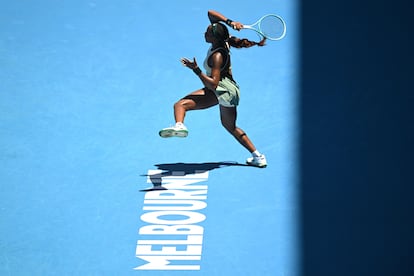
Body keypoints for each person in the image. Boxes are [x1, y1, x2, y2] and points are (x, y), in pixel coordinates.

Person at [159, 10, 267, 168]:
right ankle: (258, 157)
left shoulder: (217, 56)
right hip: (227, 89)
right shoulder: (223, 40)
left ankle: (180, 125)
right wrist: (230, 22)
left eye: (208, 32)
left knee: (181, 105)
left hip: (222, 90)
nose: (205, 32)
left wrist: (195, 69)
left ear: (214, 37)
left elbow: (213, 85)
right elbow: (211, 13)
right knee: (229, 126)